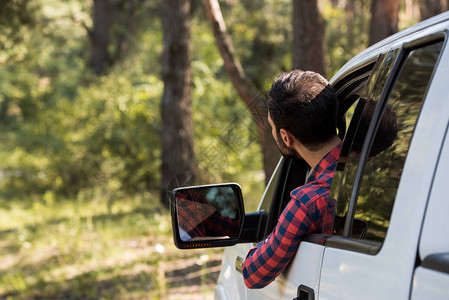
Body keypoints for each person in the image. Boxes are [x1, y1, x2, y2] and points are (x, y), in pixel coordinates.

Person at [242, 70, 342, 289]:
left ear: (286, 137)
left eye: (271, 127)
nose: (272, 132)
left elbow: (253, 274)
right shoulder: (377, 165)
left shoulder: (310, 201)